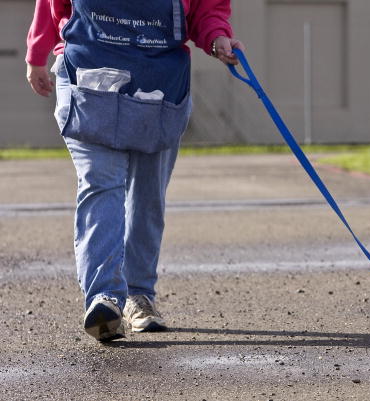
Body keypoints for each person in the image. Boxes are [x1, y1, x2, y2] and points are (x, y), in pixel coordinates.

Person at [26, 0, 244, 342]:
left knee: (147, 196)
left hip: (160, 87)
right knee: (101, 183)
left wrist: (218, 37)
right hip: (88, 78)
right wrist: (37, 53)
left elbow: (207, 8)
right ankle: (104, 298)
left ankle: (139, 296)